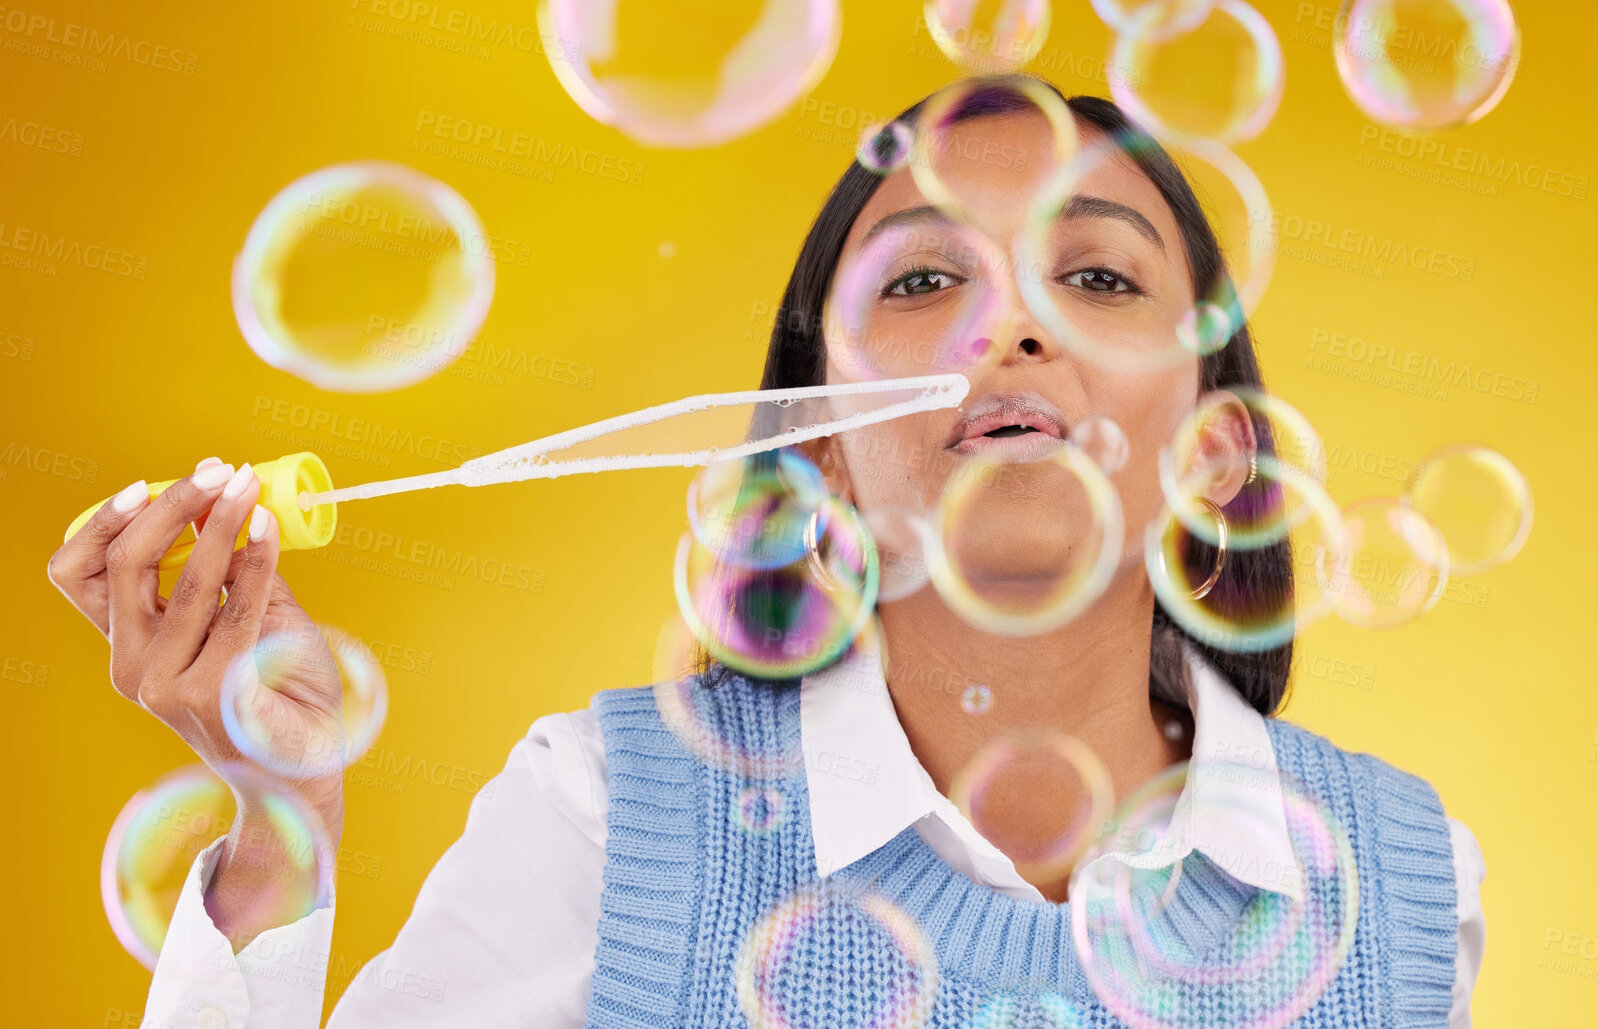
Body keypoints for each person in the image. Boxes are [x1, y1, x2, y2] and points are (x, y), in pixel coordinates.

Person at [49, 77, 1485, 1027]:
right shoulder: (610, 814)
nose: (1010, 325)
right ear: (815, 451)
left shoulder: (1403, 881)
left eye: (1096, 275)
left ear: (1214, 450)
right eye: (923, 279)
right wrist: (276, 824)